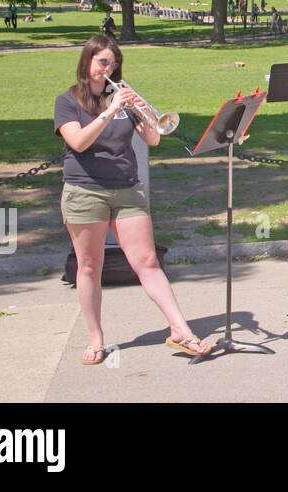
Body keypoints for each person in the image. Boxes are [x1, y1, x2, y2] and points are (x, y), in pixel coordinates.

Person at [54, 35, 211, 363]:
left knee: (148, 261)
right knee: (90, 266)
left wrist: (143, 112)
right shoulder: (68, 102)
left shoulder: (121, 98)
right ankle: (96, 337)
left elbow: (153, 139)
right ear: (87, 63)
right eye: (102, 62)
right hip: (85, 190)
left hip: (126, 189)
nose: (108, 69)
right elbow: (79, 142)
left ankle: (180, 329)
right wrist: (110, 111)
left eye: (113, 63)